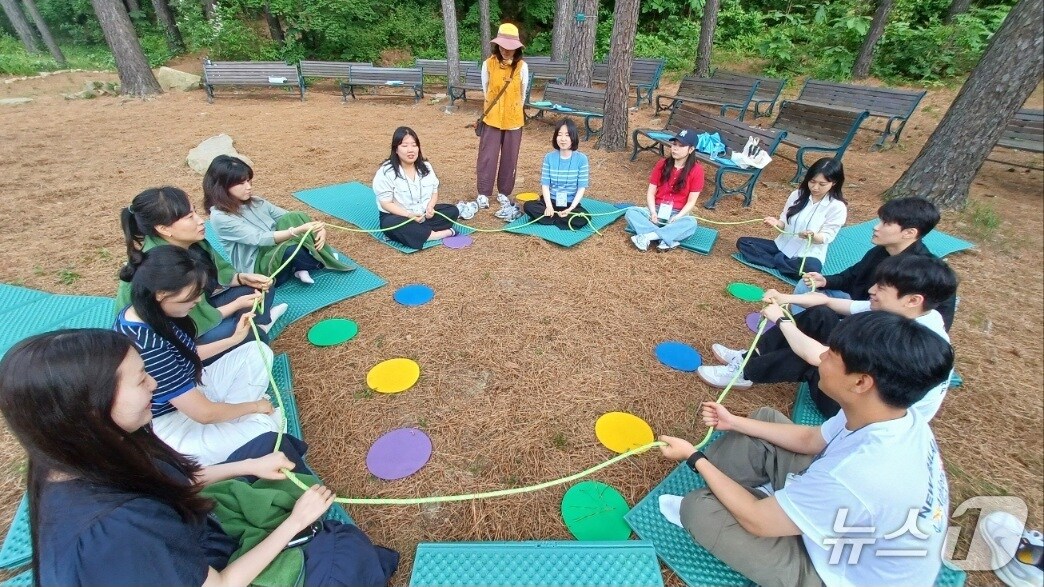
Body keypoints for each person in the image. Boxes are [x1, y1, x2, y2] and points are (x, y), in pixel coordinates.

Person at [0, 328, 398, 586]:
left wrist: (249, 466)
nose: (154, 384)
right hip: (205, 568)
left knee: (269, 448)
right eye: (141, 380)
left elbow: (166, 480)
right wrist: (294, 524)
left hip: (190, 532)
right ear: (92, 409)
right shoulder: (118, 529)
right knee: (343, 555)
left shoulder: (83, 449)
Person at [659, 311, 954, 587]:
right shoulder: (893, 415)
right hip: (848, 527)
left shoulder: (858, 474)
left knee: (699, 510)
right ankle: (780, 504)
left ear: (861, 382)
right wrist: (733, 421)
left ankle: (765, 507)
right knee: (763, 420)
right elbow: (810, 440)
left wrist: (694, 457)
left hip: (839, 574)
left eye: (831, 354)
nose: (821, 356)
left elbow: (757, 521)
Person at [699, 255, 958, 421]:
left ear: (913, 300)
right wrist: (785, 298)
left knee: (817, 363)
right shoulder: (915, 313)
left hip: (860, 415)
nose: (871, 291)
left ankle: (744, 373)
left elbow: (818, 356)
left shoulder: (902, 340)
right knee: (820, 315)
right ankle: (747, 357)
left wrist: (782, 320)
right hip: (867, 389)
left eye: (881, 288)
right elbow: (829, 302)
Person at [115, 245, 283, 466]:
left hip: (192, 391)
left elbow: (187, 355)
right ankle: (240, 417)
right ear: (161, 294)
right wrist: (255, 406)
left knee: (256, 351)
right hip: (172, 422)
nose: (196, 301)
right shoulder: (147, 345)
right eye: (191, 296)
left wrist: (234, 340)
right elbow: (203, 414)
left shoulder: (145, 311)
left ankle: (233, 416)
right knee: (266, 429)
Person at [116, 186, 286, 350]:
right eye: (190, 217)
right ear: (164, 229)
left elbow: (218, 275)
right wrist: (236, 305)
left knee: (262, 287)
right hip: (178, 334)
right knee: (249, 334)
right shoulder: (164, 265)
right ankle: (255, 330)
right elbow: (188, 320)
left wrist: (241, 278)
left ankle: (257, 325)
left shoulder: (191, 242)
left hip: (199, 308)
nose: (200, 220)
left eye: (195, 212)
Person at [794, 196, 957, 329]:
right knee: (806, 286)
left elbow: (939, 322)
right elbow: (851, 276)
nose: (876, 227)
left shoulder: (926, 273)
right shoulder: (880, 251)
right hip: (861, 305)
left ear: (909, 233)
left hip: (883, 324)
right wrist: (825, 281)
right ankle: (796, 325)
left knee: (822, 317)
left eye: (886, 223)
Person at [204, 155, 355, 285]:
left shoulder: (256, 201)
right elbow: (259, 238)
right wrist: (296, 231)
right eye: (241, 183)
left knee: (295, 216)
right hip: (258, 265)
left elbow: (289, 217)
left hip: (275, 246)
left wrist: (319, 228)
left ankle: (302, 264)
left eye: (249, 181)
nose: (248, 187)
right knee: (290, 248)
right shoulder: (220, 217)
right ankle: (313, 262)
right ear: (222, 186)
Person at [736, 158, 847, 278]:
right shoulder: (797, 195)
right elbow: (784, 221)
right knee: (744, 243)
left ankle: (774, 261)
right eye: (812, 181)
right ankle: (782, 263)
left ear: (834, 183)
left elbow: (827, 236)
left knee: (810, 268)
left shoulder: (837, 207)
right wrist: (777, 223)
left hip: (806, 254)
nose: (815, 187)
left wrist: (812, 235)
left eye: (822, 184)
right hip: (781, 246)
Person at [373, 127, 461, 250]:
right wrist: (409, 215)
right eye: (404, 146)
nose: (410, 150)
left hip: (423, 215)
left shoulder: (426, 167)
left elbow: (434, 191)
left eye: (414, 145)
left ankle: (417, 233)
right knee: (391, 224)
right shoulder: (386, 172)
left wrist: (430, 207)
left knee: (452, 211)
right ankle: (435, 234)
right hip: (399, 216)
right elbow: (386, 203)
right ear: (396, 149)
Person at [476, 23, 530, 222]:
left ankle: (504, 192)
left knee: (510, 157)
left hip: (514, 120)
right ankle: (483, 192)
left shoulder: (522, 67)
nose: (506, 50)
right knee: (487, 156)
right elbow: (486, 90)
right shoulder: (488, 64)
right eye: (502, 46)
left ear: (517, 48)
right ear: (497, 45)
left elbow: (522, 94)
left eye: (510, 47)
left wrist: (512, 110)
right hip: (492, 118)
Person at [624, 129, 704, 251]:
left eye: (681, 146)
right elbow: (651, 192)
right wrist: (653, 212)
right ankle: (667, 238)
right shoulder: (662, 164)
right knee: (631, 212)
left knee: (691, 223)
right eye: (674, 144)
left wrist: (678, 217)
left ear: (691, 149)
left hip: (677, 214)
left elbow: (691, 201)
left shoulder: (697, 170)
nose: (675, 148)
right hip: (657, 210)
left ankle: (647, 237)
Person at [522, 119, 591, 230]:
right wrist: (549, 206)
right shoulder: (549, 157)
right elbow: (545, 185)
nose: (563, 139)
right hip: (551, 202)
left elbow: (581, 187)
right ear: (555, 137)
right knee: (528, 206)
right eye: (559, 134)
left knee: (584, 217)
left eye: (567, 135)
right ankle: (558, 219)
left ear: (573, 137)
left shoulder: (582, 159)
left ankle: (550, 219)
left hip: (570, 204)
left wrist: (571, 208)